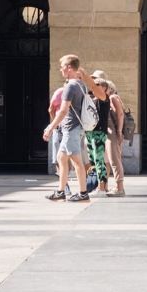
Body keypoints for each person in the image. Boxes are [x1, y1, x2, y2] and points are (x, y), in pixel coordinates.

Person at [43, 55, 103, 203]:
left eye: (62, 66)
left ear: (69, 68)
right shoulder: (81, 84)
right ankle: (60, 191)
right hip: (75, 128)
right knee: (61, 158)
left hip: (72, 128)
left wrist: (51, 127)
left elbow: (63, 110)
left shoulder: (70, 86)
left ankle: (83, 193)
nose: (61, 69)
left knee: (76, 161)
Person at [93, 70, 127, 197]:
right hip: (107, 133)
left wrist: (118, 132)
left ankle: (120, 188)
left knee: (114, 160)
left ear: (106, 86)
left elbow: (120, 114)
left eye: (98, 84)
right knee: (108, 161)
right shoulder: (104, 99)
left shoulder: (113, 97)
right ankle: (106, 186)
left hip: (112, 133)